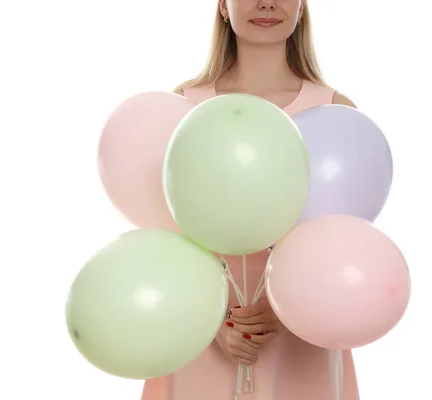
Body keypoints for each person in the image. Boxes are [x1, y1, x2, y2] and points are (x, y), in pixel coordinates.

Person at [141, 1, 360, 399]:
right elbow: (165, 238)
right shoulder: (183, 106)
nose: (266, 3)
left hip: (302, 333)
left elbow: (345, 243)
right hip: (201, 328)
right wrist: (214, 324)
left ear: (301, 6)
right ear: (224, 6)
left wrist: (287, 307)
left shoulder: (335, 112)